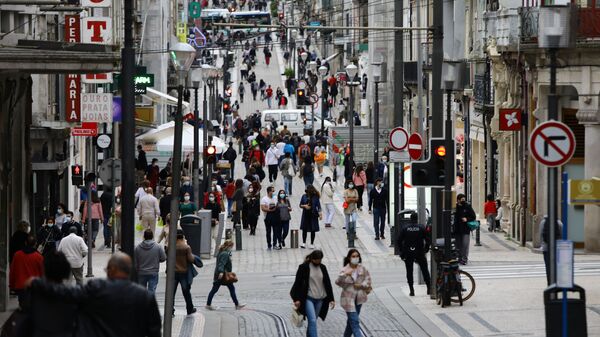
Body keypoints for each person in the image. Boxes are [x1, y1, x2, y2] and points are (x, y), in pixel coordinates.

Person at [19, 251, 77, 337]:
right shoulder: (72, 296)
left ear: (45, 269)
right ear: (66, 270)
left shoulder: (35, 294)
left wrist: (35, 282)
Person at [290, 250, 335, 337]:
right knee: (313, 320)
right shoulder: (304, 267)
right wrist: (297, 299)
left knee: (312, 322)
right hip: (308, 298)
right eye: (316, 260)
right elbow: (297, 284)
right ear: (312, 259)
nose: (318, 262)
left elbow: (327, 283)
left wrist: (331, 299)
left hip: (320, 299)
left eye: (320, 260)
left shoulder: (323, 267)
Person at [335, 249, 372, 337]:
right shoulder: (345, 269)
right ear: (349, 258)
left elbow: (368, 281)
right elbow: (338, 282)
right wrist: (345, 274)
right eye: (353, 256)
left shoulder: (363, 268)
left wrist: (361, 285)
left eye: (357, 256)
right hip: (348, 300)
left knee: (351, 321)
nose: (355, 258)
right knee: (355, 322)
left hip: (359, 298)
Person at [397, 213, 431, 296]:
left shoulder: (405, 228)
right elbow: (428, 239)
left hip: (408, 252)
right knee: (425, 270)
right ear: (417, 219)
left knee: (409, 271)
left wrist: (402, 251)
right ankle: (429, 288)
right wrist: (426, 249)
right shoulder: (421, 227)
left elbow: (399, 240)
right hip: (419, 251)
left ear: (410, 219)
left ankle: (411, 290)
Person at [206, 241, 245, 310]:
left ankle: (237, 304)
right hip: (223, 275)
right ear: (229, 247)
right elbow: (221, 264)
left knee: (216, 289)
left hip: (221, 274)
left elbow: (223, 261)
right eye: (231, 247)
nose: (232, 249)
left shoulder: (222, 252)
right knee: (217, 289)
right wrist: (221, 272)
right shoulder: (225, 254)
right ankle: (237, 305)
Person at [10, 235, 44, 307]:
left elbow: (13, 271)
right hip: (35, 286)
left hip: (21, 286)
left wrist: (12, 285)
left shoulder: (17, 255)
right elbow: (42, 273)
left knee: (23, 307)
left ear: (25, 243)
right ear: (35, 244)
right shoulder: (39, 257)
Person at [135, 229, 166, 295]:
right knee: (151, 290)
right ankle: (150, 303)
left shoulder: (138, 247)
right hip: (153, 272)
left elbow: (135, 261)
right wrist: (157, 260)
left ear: (144, 236)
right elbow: (163, 258)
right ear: (152, 236)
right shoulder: (158, 247)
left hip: (141, 272)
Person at [173, 229, 196, 315]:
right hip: (183, 272)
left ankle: (171, 310)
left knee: (172, 293)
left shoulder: (171, 246)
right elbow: (191, 259)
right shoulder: (186, 247)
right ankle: (189, 309)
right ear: (183, 236)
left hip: (173, 272)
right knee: (186, 292)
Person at [539, 216, 563, 285]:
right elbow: (562, 236)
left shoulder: (542, 222)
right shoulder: (559, 223)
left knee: (548, 267)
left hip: (546, 248)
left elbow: (541, 235)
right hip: (556, 248)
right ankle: (556, 282)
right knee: (556, 266)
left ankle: (549, 283)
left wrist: (542, 245)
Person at [453, 194, 476, 265]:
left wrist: (467, 219)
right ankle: (459, 258)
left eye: (464, 199)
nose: (463, 201)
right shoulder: (455, 207)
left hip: (465, 229)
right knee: (458, 245)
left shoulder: (467, 206)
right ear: (458, 200)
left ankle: (464, 259)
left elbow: (473, 216)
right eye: (462, 200)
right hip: (457, 229)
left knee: (465, 244)